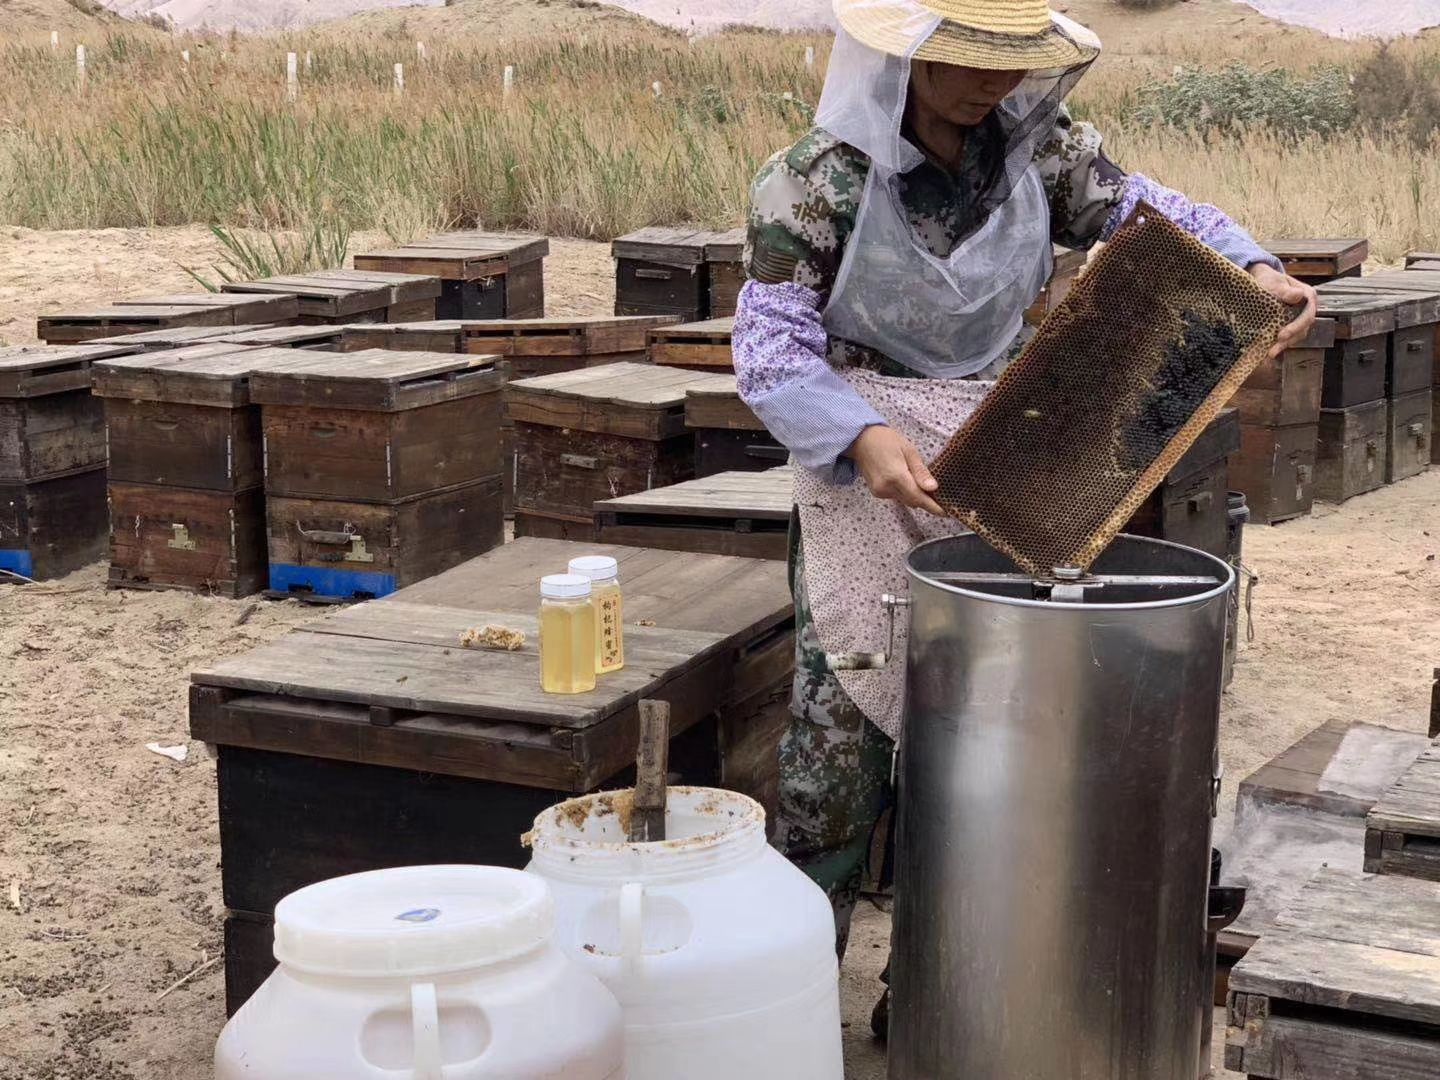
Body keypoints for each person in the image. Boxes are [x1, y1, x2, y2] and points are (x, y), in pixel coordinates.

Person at [732, 0, 1317, 1038]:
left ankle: (925, 1000)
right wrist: (862, 435)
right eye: (962, 62)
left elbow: (1150, 215)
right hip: (861, 475)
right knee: (838, 758)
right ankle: (781, 1013)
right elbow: (773, 350)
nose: (987, 84)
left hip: (1004, 462)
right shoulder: (813, 182)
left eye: (1005, 63)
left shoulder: (1044, 157)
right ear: (905, 54)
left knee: (980, 744)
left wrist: (1254, 264)